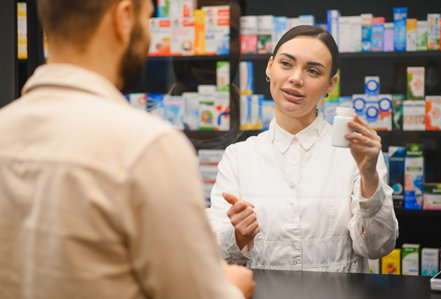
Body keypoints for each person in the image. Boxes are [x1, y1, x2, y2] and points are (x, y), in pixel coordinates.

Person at [0, 0, 255, 298]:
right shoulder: (147, 145)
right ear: (123, 18)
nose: (151, 39)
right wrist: (232, 288)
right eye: (148, 19)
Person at [207, 25, 399, 272]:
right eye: (286, 64)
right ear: (269, 67)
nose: (296, 78)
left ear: (331, 84)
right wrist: (238, 237)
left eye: (313, 71)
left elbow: (377, 248)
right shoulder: (239, 157)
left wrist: (370, 176)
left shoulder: (357, 154)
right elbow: (214, 251)